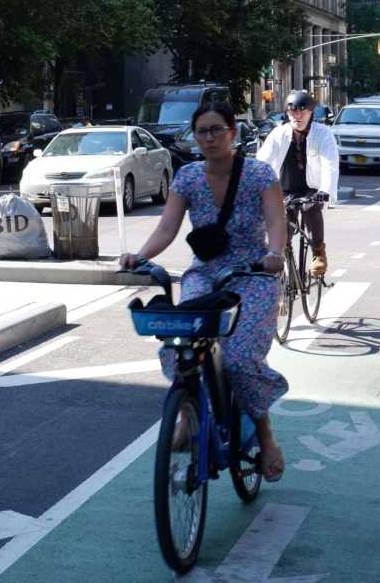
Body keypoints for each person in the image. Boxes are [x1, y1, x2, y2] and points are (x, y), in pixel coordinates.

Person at [119, 102, 289, 482]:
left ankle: (266, 436)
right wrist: (140, 256)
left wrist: (274, 254)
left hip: (252, 273)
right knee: (181, 343)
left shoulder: (260, 175)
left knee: (241, 358)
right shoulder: (187, 177)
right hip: (204, 274)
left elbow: (278, 220)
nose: (209, 138)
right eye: (202, 132)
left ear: (233, 132)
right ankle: (185, 414)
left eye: (216, 130)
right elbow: (166, 229)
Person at [255, 90, 339, 277]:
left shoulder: (323, 134)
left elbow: (329, 165)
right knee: (281, 224)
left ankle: (318, 252)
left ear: (311, 113)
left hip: (311, 188)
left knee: (311, 208)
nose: (297, 116)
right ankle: (283, 266)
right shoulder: (279, 134)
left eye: (302, 111)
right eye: (293, 112)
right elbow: (262, 162)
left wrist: (325, 190)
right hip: (284, 189)